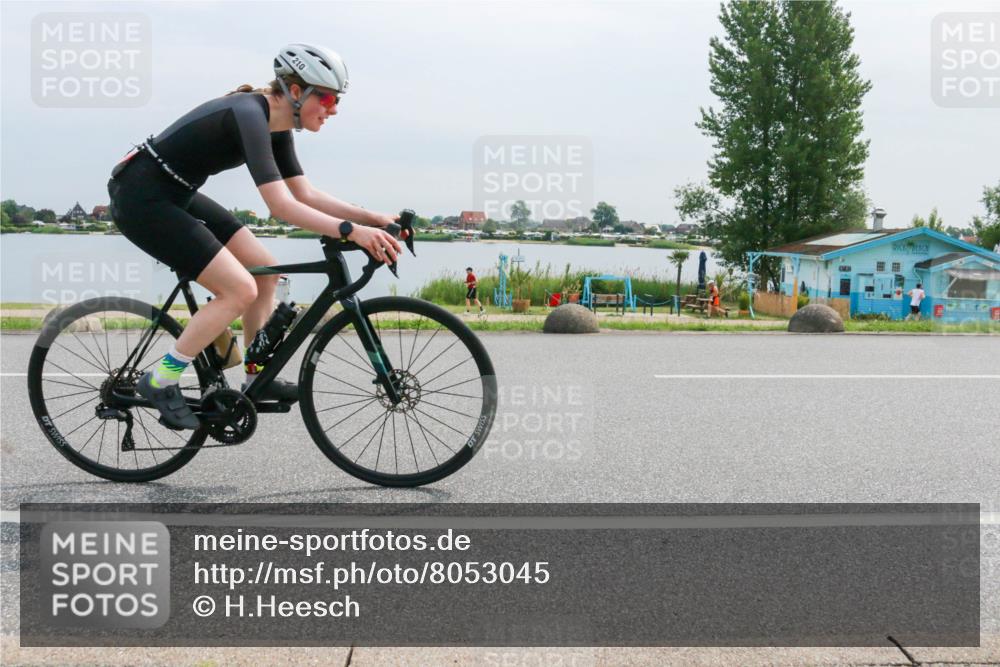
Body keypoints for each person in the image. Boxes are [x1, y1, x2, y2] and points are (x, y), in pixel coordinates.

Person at [107, 43, 403, 430]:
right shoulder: (249, 113)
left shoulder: (278, 126)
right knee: (238, 290)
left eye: (337, 101)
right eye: (328, 98)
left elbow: (305, 194)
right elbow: (280, 206)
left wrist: (373, 219)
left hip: (177, 193)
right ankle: (161, 379)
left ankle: (253, 379)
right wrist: (351, 231)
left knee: (266, 273)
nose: (333, 109)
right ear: (295, 92)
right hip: (141, 198)